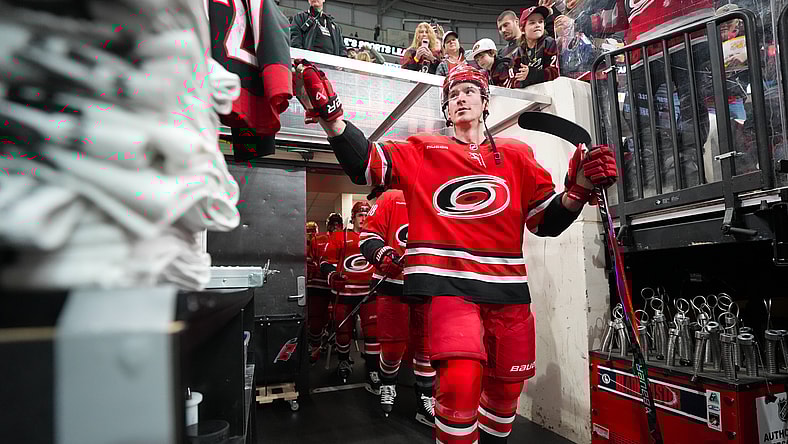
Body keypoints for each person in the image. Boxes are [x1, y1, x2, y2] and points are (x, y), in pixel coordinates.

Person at [292, 61, 617, 443]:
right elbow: (366, 162)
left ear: (485, 100)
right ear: (446, 109)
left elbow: (545, 222)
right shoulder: (424, 149)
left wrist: (577, 191)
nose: (459, 98)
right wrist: (333, 120)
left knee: (504, 394)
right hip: (451, 290)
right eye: (451, 95)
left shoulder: (518, 155)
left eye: (467, 91)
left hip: (509, 293)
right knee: (459, 386)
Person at [360, 189, 436, 427]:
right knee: (392, 346)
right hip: (393, 285)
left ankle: (425, 397)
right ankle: (388, 384)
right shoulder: (392, 197)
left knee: (426, 346)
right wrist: (383, 254)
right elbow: (368, 237)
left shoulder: (438, 192)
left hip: (429, 283)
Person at [319, 202, 380, 392]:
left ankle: (373, 369)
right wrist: (332, 275)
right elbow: (325, 261)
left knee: (372, 333)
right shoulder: (340, 237)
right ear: (353, 217)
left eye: (366, 215)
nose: (363, 219)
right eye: (360, 215)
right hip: (344, 292)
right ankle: (344, 361)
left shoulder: (375, 237)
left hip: (369, 293)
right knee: (343, 331)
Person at [307, 213, 343, 364]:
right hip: (318, 284)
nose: (335, 226)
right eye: (332, 223)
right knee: (315, 319)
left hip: (338, 285)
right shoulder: (317, 239)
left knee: (340, 319)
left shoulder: (347, 240)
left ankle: (337, 346)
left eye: (338, 223)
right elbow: (310, 261)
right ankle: (315, 346)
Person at [513, 6, 560, 88]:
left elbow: (556, 72)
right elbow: (513, 82)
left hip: (551, 93)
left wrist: (531, 74)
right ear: (522, 29)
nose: (537, 25)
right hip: (529, 97)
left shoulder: (550, 43)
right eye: (532, 22)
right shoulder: (518, 53)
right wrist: (524, 79)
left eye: (540, 21)